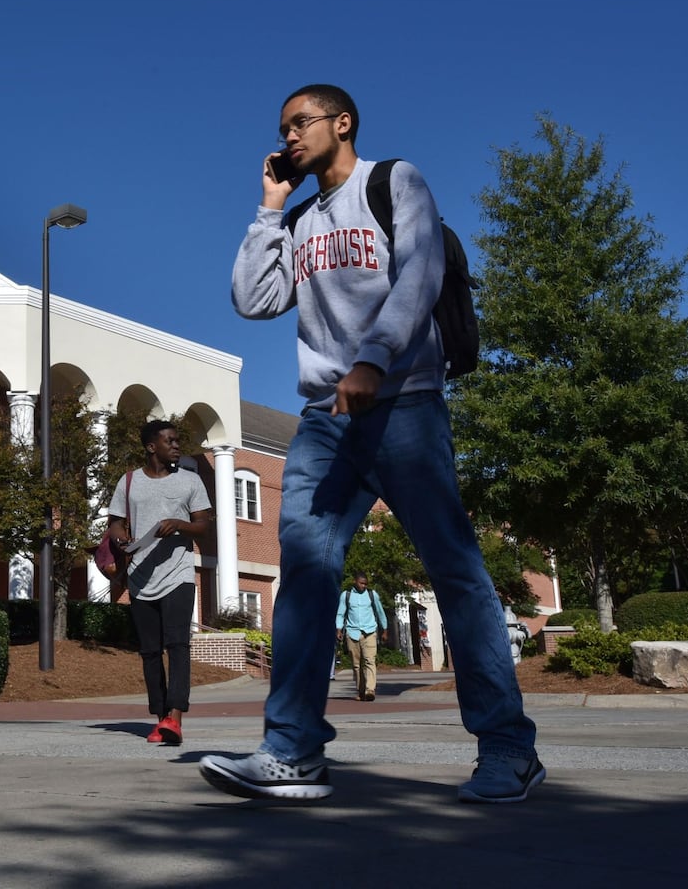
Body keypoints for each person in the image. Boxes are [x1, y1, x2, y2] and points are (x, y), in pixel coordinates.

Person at [201, 84, 542, 803]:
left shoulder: (393, 181)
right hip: (326, 420)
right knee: (304, 567)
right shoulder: (297, 219)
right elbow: (252, 300)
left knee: (453, 572)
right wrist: (267, 208)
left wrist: (373, 358)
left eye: (302, 123)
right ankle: (292, 751)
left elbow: (419, 273)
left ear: (342, 122)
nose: (290, 137)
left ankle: (507, 749)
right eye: (282, 129)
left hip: (404, 406)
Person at [105, 420, 211, 746]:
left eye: (178, 440)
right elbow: (115, 524)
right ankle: (160, 717)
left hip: (178, 574)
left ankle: (175, 718)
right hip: (140, 577)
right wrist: (122, 540)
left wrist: (179, 524)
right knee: (150, 652)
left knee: (178, 644)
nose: (177, 446)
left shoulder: (191, 481)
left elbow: (204, 524)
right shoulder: (128, 482)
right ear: (152, 447)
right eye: (170, 441)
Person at [336, 573, 389, 701]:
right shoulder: (346, 595)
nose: (363, 586)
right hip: (352, 633)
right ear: (355, 581)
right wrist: (338, 629)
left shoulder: (372, 595)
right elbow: (340, 613)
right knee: (356, 665)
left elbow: (380, 612)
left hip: (369, 632)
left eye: (365, 584)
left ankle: (370, 690)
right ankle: (361, 690)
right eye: (361, 583)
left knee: (370, 661)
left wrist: (385, 629)